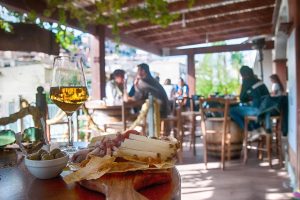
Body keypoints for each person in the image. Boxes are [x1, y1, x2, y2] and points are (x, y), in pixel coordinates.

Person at [229, 65, 270, 132]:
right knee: (246, 109)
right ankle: (257, 128)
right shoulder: (259, 81)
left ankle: (250, 131)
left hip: (258, 111)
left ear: (243, 75)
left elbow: (242, 98)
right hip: (267, 109)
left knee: (231, 110)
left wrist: (248, 97)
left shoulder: (246, 81)